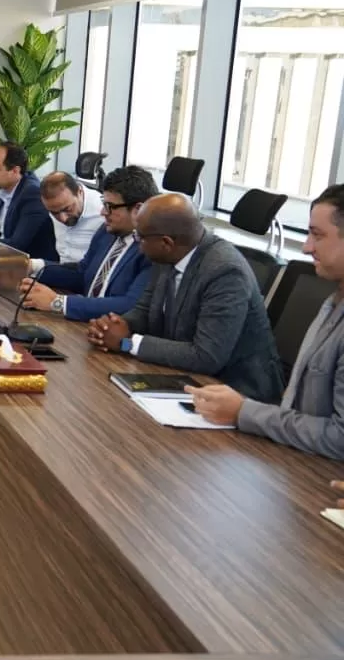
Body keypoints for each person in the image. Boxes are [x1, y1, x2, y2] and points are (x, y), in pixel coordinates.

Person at [187, 184, 344, 459]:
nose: (306, 247)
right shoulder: (333, 301)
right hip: (293, 452)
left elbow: (340, 438)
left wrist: (243, 411)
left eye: (317, 235)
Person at [87, 193, 283, 403]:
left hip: (237, 392)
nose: (138, 246)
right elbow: (145, 309)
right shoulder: (168, 255)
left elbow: (206, 356)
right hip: (181, 376)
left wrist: (126, 343)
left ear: (166, 242)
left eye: (140, 238)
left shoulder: (225, 272)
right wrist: (114, 326)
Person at [19, 166, 157, 322]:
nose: (103, 212)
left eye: (110, 207)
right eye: (104, 204)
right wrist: (33, 268)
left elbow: (130, 305)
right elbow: (81, 274)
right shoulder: (106, 231)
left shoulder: (153, 249)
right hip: (83, 323)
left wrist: (58, 303)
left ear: (138, 209)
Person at [38, 172, 105, 264]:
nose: (63, 219)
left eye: (68, 209)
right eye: (54, 213)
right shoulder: (57, 205)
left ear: (79, 192)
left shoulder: (103, 212)